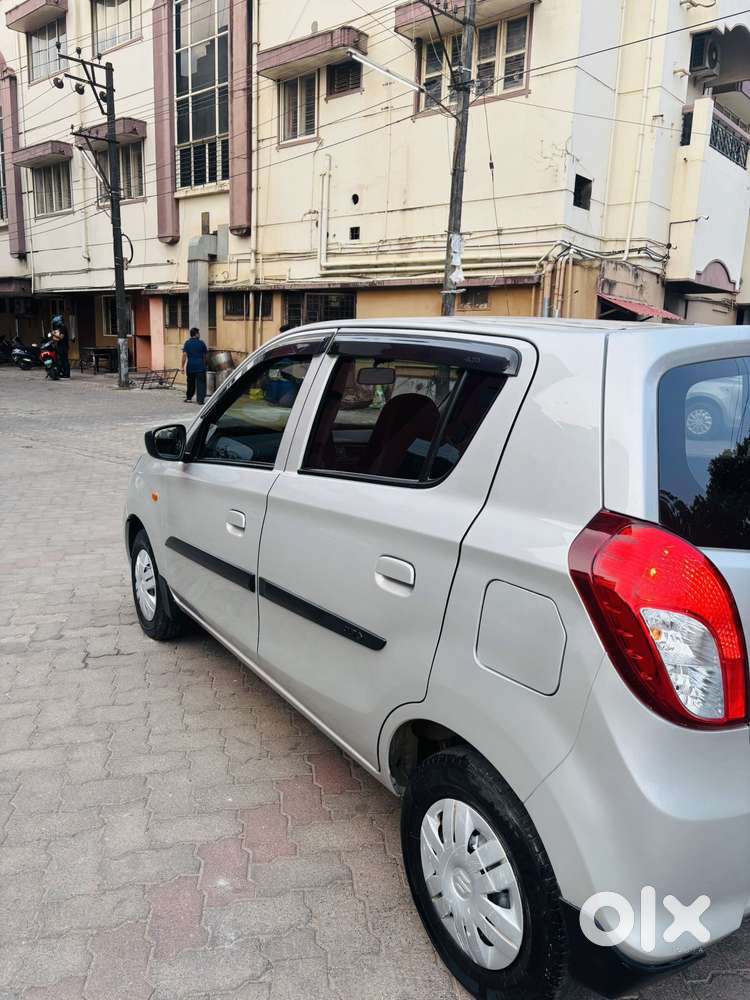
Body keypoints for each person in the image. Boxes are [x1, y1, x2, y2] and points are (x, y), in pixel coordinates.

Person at [181, 326, 208, 404]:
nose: (199, 335)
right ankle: (200, 400)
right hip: (200, 367)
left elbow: (184, 355)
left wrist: (182, 367)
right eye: (198, 333)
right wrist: (205, 364)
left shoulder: (187, 343)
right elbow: (205, 356)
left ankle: (189, 398)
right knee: (201, 384)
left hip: (191, 367)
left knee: (190, 383)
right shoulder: (201, 343)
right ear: (196, 334)